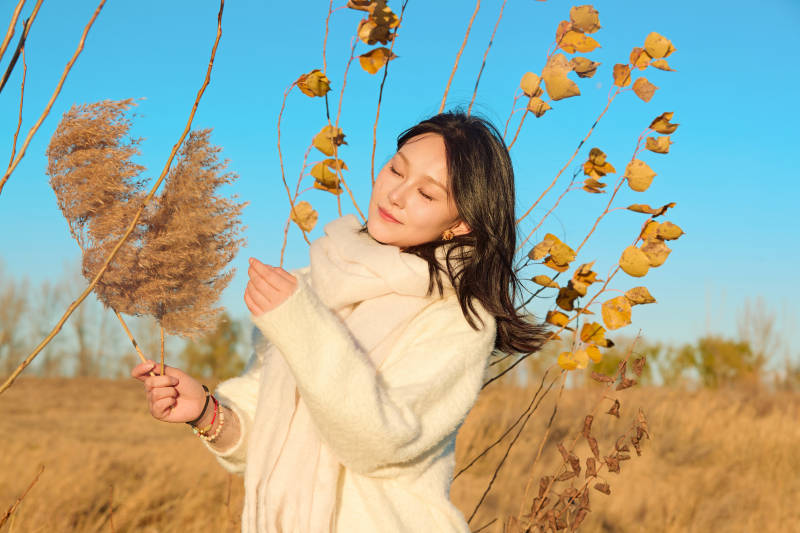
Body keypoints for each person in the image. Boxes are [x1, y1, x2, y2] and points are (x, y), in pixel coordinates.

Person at [131, 110, 548, 532]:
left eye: (426, 193)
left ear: (460, 223)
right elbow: (268, 433)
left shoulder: (458, 317)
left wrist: (303, 326)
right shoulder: (318, 280)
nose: (395, 195)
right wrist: (205, 412)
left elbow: (379, 443)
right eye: (395, 169)